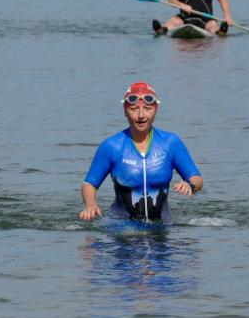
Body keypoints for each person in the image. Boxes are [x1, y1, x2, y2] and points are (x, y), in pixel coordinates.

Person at [79, 81, 203, 224]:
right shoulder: (112, 146)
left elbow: (197, 179)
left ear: (156, 109)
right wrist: (90, 205)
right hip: (120, 226)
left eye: (147, 109)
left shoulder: (171, 143)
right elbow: (89, 184)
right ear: (125, 110)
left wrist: (190, 185)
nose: (141, 115)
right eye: (134, 109)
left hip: (161, 227)